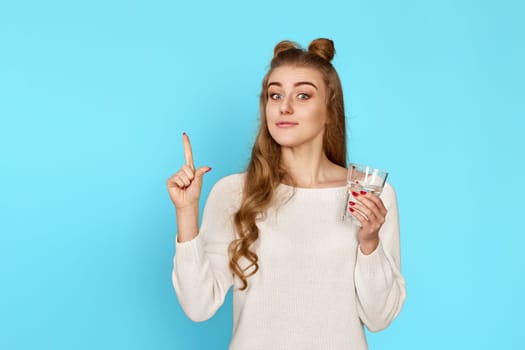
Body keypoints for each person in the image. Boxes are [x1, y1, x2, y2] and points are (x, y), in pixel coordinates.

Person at [167, 38, 406, 350]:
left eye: (303, 95)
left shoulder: (371, 193)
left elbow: (380, 317)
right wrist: (186, 212)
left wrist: (370, 243)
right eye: (275, 94)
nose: (284, 106)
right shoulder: (234, 192)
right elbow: (198, 306)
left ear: (330, 111)